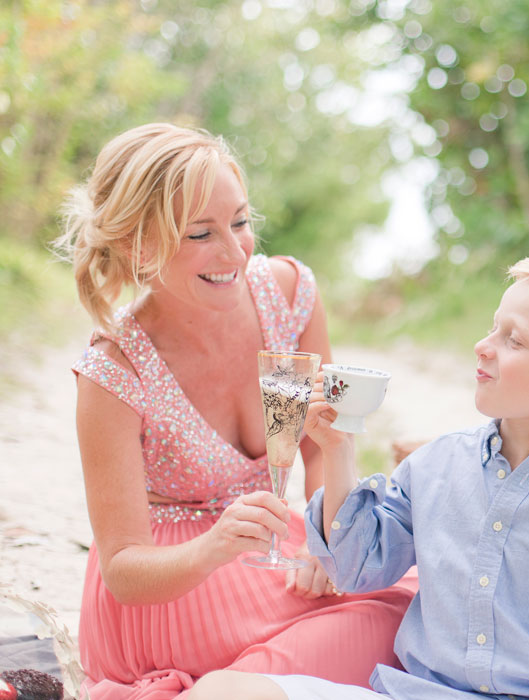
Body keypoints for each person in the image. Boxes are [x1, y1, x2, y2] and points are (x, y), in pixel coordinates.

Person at [187, 255, 529, 699]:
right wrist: (338, 452)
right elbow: (355, 567)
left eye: (513, 340)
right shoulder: (436, 466)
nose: (483, 345)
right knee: (219, 691)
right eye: (493, 327)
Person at [54, 123, 415, 699]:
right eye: (201, 234)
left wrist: (328, 539)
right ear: (137, 245)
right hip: (174, 583)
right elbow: (123, 569)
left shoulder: (290, 295)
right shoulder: (114, 370)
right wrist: (213, 547)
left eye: (241, 222)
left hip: (272, 545)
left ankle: (241, 687)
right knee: (381, 628)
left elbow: (324, 444)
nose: (235, 252)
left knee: (413, 598)